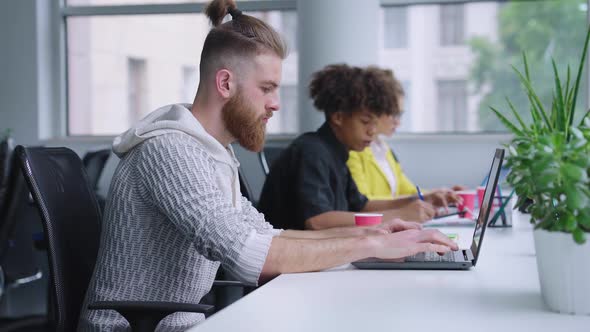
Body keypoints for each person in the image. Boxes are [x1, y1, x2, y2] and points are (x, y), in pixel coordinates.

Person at [78, 2, 457, 331]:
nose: (276, 103)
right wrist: (373, 245)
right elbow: (249, 258)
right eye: (267, 88)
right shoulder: (170, 152)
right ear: (225, 83)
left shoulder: (213, 154)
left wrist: (372, 237)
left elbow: (268, 236)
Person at [258, 64, 459, 231]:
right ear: (338, 116)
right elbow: (317, 221)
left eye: (375, 122)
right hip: (287, 274)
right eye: (365, 122)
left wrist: (417, 200)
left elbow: (363, 205)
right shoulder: (311, 152)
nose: (372, 131)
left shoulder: (337, 153)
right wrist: (397, 215)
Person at [347, 68, 464, 202]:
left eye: (400, 114)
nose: (398, 122)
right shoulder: (354, 150)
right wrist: (424, 199)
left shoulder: (383, 148)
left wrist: (441, 194)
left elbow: (407, 191)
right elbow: (363, 202)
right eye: (393, 114)